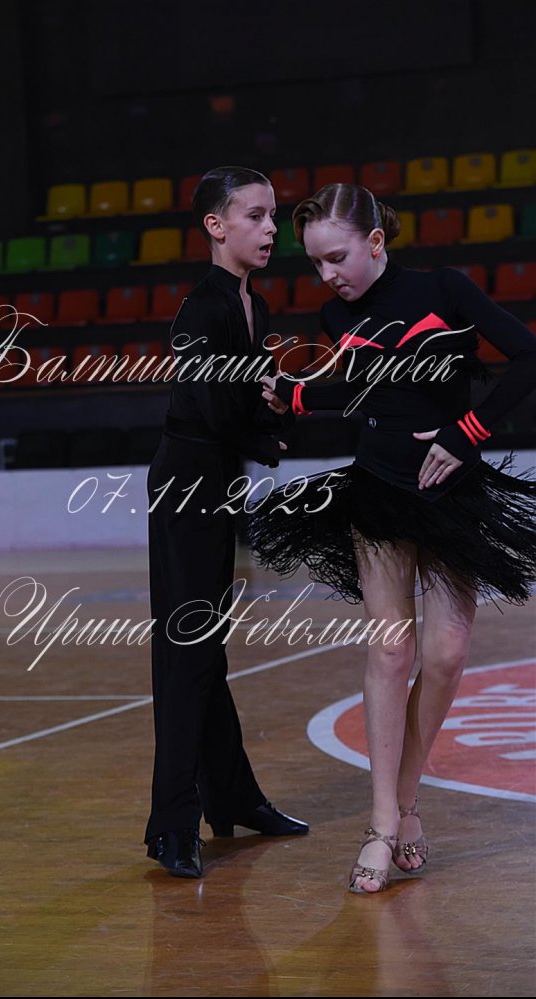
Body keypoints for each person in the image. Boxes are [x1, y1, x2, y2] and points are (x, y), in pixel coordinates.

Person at [248, 182, 536, 893]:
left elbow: (529, 356)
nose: (327, 275)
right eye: (316, 263)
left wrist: (467, 433)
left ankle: (406, 801)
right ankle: (385, 821)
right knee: (390, 650)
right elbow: (369, 389)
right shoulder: (336, 313)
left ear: (376, 241)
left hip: (450, 491)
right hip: (376, 489)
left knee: (446, 654)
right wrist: (297, 394)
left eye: (337, 257)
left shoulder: (445, 289)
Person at [145, 166, 309, 879]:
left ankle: (234, 798)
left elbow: (242, 404)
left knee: (207, 651)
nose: (271, 228)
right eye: (255, 215)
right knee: (187, 653)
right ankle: (172, 824)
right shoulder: (200, 310)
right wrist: (266, 424)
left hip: (216, 482)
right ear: (216, 226)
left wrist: (272, 409)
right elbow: (212, 410)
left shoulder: (254, 305)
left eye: (273, 215)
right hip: (186, 484)